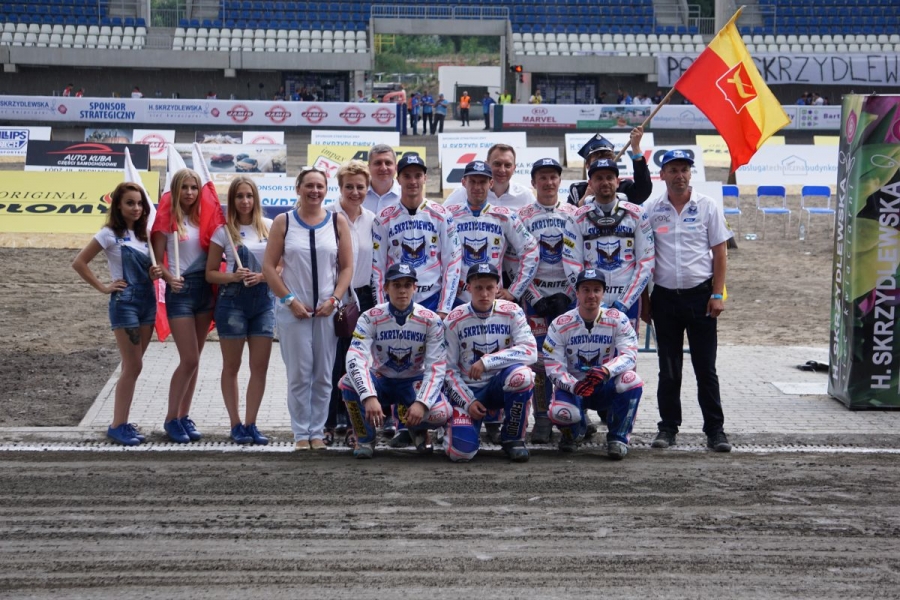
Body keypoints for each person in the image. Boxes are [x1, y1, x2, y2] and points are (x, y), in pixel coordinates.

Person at [643, 150, 733, 453]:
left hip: (701, 298)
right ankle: (668, 427)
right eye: (673, 170)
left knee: (705, 368)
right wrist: (645, 300)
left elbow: (720, 252)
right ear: (662, 175)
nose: (679, 175)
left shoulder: (707, 206)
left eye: (684, 170)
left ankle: (715, 431)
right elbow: (642, 257)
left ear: (690, 173)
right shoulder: (651, 209)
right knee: (668, 369)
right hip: (665, 299)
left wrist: (717, 294)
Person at [263, 166, 353, 451]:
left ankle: (318, 431)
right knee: (299, 375)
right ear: (298, 188)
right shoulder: (284, 222)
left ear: (326, 190)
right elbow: (269, 267)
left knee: (324, 374)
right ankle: (301, 432)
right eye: (309, 185)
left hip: (327, 310)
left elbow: (347, 267)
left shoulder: (337, 221)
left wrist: (335, 299)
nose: (315, 191)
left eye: (320, 186)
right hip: (294, 311)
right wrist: (289, 300)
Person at [72, 182, 162, 446]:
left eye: (140, 203)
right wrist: (103, 287)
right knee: (134, 366)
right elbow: (79, 262)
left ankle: (122, 421)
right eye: (130, 203)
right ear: (118, 206)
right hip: (125, 305)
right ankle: (117, 425)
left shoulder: (145, 235)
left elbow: (149, 271)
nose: (136, 208)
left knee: (131, 366)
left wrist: (154, 273)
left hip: (148, 303)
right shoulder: (109, 233)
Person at [340, 262, 452, 458]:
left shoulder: (431, 320)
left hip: (412, 381)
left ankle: (416, 429)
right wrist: (368, 396)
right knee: (348, 382)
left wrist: (422, 403)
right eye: (396, 285)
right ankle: (365, 438)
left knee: (441, 412)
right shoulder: (370, 317)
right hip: (381, 379)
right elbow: (355, 356)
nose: (402, 291)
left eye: (407, 285)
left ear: (415, 288)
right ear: (386, 288)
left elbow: (436, 367)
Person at [543, 269, 643, 459]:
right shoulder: (560, 324)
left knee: (632, 380)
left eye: (596, 290)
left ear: (603, 293)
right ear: (577, 293)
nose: (591, 295)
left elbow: (630, 355)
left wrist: (607, 370)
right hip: (574, 387)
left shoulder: (618, 319)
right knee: (559, 412)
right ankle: (574, 433)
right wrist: (574, 385)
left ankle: (618, 438)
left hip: (604, 384)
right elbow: (553, 367)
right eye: (586, 290)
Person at [443, 263, 537, 463]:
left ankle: (513, 439)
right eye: (478, 287)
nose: (484, 294)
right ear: (469, 288)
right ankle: (456, 427)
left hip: (499, 385)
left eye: (489, 287)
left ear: (497, 287)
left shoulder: (513, 312)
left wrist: (487, 361)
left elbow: (531, 351)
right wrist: (467, 401)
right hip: (470, 389)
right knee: (460, 453)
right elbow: (448, 371)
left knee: (523, 376)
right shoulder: (454, 320)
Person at [517, 158, 582, 444]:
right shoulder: (522, 216)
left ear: (560, 181)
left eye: (553, 177)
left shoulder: (574, 214)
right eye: (542, 177)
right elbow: (514, 261)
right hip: (536, 298)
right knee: (540, 362)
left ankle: (574, 416)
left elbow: (581, 257)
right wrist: (532, 296)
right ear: (533, 182)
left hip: (568, 296)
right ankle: (542, 418)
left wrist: (569, 294)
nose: (548, 182)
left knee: (572, 358)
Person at [205, 177, 273, 445]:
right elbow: (211, 273)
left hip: (264, 303)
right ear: (232, 200)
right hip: (232, 303)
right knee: (232, 366)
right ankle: (235, 424)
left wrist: (263, 276)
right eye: (239, 196)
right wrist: (233, 276)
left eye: (249, 195)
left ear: (256, 198)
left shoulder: (270, 226)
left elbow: (281, 266)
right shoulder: (223, 232)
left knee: (260, 367)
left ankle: (251, 423)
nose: (245, 201)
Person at [150, 169, 215, 443]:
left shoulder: (206, 218)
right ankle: (171, 418)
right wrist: (168, 278)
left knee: (195, 359)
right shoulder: (167, 221)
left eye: (194, 187)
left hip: (205, 290)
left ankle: (184, 415)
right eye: (184, 187)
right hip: (180, 291)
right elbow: (156, 261)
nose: (189, 192)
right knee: (188, 359)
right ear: (175, 190)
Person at [372, 153, 461, 316]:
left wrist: (444, 307)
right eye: (407, 176)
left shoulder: (442, 215)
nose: (413, 181)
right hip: (395, 302)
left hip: (432, 299)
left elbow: (452, 262)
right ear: (398, 179)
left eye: (418, 176)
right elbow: (377, 268)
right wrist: (381, 309)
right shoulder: (383, 219)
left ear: (425, 178)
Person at [327, 160, 377, 446]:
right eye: (349, 187)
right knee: (334, 361)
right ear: (340, 187)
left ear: (368, 188)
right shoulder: (327, 216)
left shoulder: (373, 220)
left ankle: (354, 422)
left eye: (360, 187)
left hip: (364, 297)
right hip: (335, 296)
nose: (355, 192)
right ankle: (330, 420)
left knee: (358, 361)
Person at [572, 158, 654, 331]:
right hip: (590, 300)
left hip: (628, 299)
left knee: (626, 347)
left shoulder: (637, 214)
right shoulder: (578, 217)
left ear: (618, 182)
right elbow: (572, 262)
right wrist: (589, 297)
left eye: (609, 177)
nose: (605, 182)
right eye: (599, 178)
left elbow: (646, 262)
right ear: (590, 184)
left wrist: (625, 302)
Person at [446, 160, 539, 305]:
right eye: (473, 181)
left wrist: (515, 290)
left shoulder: (504, 216)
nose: (477, 187)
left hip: (492, 299)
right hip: (456, 299)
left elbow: (531, 250)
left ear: (490, 183)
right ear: (464, 182)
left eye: (482, 182)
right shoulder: (448, 215)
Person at [567, 130, 652, 206]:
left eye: (607, 160)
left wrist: (635, 147)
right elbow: (568, 215)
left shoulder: (624, 186)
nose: (602, 164)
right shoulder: (577, 190)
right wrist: (586, 197)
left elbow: (643, 191)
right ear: (587, 165)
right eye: (597, 161)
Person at [444, 144, 536, 211]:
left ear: (514, 168)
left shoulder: (525, 195)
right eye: (497, 164)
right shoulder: (464, 192)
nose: (502, 170)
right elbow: (441, 217)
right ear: (487, 164)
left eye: (507, 165)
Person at [363, 144, 401, 215]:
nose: (383, 168)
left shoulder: (405, 196)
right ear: (369, 167)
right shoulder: (356, 195)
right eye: (378, 163)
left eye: (388, 163)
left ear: (396, 168)